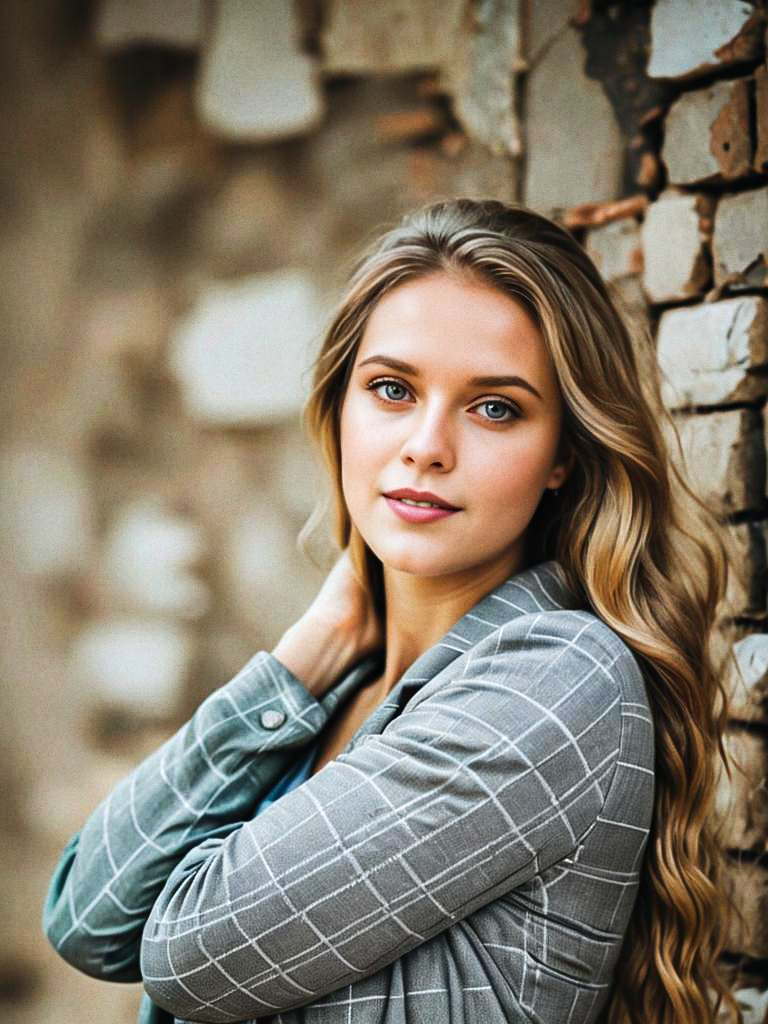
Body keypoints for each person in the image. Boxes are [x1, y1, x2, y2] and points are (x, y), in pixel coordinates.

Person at [43, 199, 737, 1024]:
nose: (427, 446)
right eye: (392, 389)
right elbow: (86, 920)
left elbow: (188, 957)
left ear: (565, 457)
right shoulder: (338, 687)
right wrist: (303, 659)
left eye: (495, 407)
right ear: (340, 408)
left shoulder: (555, 679)